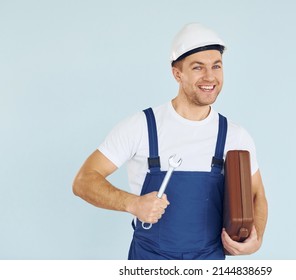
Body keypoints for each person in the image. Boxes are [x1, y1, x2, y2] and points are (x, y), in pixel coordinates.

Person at [73, 23, 268, 260]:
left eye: (216, 66)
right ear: (177, 73)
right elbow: (84, 181)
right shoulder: (142, 126)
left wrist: (255, 240)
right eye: (198, 68)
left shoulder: (235, 136)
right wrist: (133, 204)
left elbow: (256, 193)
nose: (210, 76)